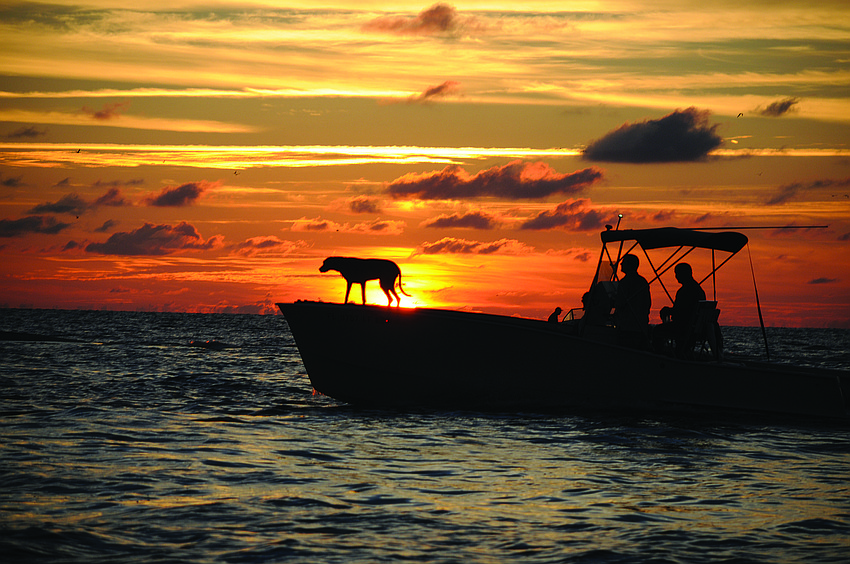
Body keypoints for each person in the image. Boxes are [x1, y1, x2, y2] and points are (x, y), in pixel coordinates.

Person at [654, 262, 706, 356]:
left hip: (684, 327)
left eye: (677, 273)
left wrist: (668, 310)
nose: (676, 276)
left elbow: (682, 312)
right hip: (695, 329)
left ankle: (658, 355)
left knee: (656, 330)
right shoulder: (698, 289)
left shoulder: (685, 291)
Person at [613, 254, 651, 348]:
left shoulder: (625, 282)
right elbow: (647, 303)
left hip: (627, 327)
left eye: (624, 262)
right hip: (641, 326)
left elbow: (619, 303)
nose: (621, 264)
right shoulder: (643, 281)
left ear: (629, 265)